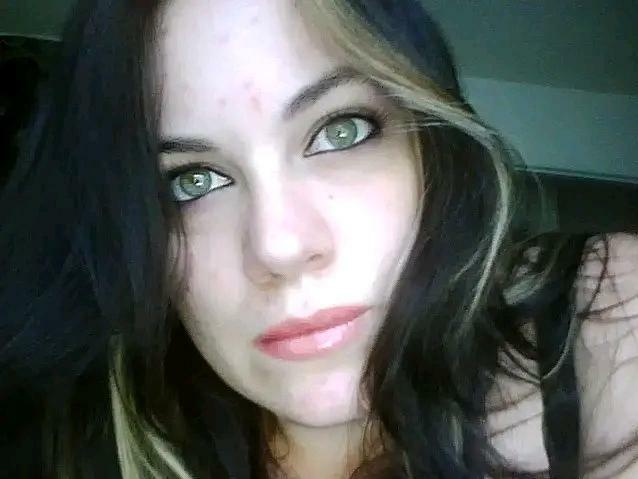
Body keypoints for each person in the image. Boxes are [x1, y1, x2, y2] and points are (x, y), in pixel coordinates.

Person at [0, 0, 636, 478]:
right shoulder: (82, 438)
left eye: (340, 131)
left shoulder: (602, 312)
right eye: (193, 181)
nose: (279, 248)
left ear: (431, 153)